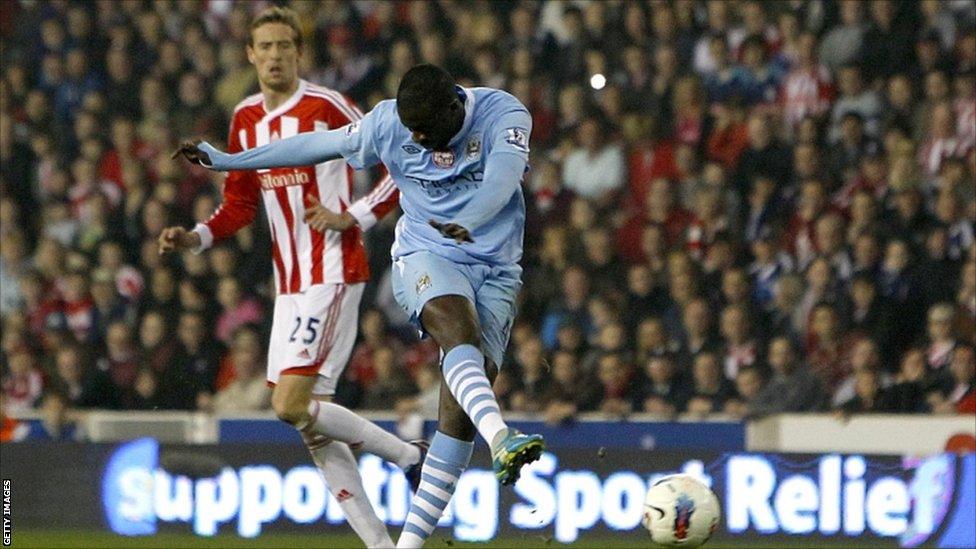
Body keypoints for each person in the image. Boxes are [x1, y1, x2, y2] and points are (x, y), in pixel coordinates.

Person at [175, 61, 545, 548]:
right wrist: (227, 160)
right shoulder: (389, 124)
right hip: (425, 253)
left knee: (456, 423)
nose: (419, 140)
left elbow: (502, 179)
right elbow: (312, 145)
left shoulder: (503, 114)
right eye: (412, 132)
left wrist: (470, 218)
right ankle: (501, 436)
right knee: (457, 332)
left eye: (428, 131)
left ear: (456, 105)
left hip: (496, 268)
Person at [159, 8, 421, 548]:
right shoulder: (246, 119)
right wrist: (196, 237)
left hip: (333, 268)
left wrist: (356, 215)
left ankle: (406, 456)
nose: (276, 55)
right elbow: (238, 203)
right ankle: (381, 544)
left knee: (289, 404)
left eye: (285, 45)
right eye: (266, 47)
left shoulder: (327, 106)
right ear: (250, 55)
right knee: (307, 423)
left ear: (299, 53)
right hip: (290, 284)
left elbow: (399, 162)